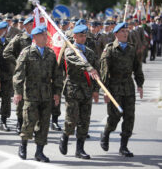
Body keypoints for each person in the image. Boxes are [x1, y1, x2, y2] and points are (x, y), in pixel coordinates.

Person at [14, 25, 62, 162]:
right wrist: (18, 92)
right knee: (29, 122)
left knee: (44, 124)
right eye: (42, 35)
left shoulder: (50, 53)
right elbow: (18, 74)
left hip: (46, 94)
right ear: (35, 37)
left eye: (46, 35)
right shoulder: (27, 52)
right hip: (31, 94)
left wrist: (57, 92)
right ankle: (23, 146)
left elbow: (57, 74)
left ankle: (39, 152)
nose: (45, 37)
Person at [100, 22, 144, 157]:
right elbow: (104, 72)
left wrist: (140, 84)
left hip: (128, 87)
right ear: (116, 34)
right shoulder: (110, 50)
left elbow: (137, 67)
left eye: (126, 31)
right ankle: (106, 132)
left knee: (129, 117)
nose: (126, 33)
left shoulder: (131, 49)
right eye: (123, 31)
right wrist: (105, 91)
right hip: (114, 88)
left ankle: (123, 146)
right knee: (114, 117)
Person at [59, 24, 99, 159]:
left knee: (84, 121)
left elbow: (96, 72)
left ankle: (80, 149)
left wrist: (95, 90)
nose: (83, 38)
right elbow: (78, 61)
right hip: (73, 89)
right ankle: (65, 136)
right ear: (74, 37)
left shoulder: (90, 52)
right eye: (80, 36)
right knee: (72, 119)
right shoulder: (70, 51)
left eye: (84, 36)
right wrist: (89, 68)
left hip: (87, 90)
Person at [3, 16, 34, 134]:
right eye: (30, 24)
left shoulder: (41, 38)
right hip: (23, 74)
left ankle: (31, 124)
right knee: (20, 99)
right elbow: (6, 52)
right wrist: (18, 62)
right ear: (26, 26)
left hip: (36, 73)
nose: (32, 26)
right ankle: (19, 122)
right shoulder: (20, 38)